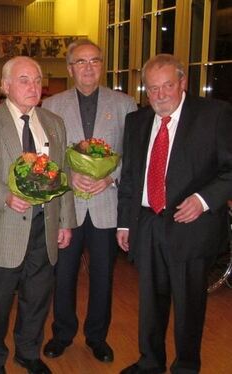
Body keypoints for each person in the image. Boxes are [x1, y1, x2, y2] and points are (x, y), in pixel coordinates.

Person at [116, 54, 232, 374]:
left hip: (191, 226)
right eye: (153, 88)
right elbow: (129, 178)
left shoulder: (214, 115)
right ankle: (150, 362)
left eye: (168, 85)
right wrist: (124, 223)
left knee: (188, 306)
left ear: (183, 82)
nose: (161, 94)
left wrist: (204, 199)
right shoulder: (137, 122)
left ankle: (186, 366)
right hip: (148, 223)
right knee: (150, 304)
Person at [0, 56, 76, 374]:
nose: (33, 86)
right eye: (24, 79)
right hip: (2, 225)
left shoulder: (54, 123)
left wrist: (66, 221)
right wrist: (5, 196)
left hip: (45, 226)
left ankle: (28, 353)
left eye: (37, 79)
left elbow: (63, 174)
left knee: (38, 297)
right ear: (5, 85)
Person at [41, 39, 137, 363]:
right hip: (68, 207)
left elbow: (134, 156)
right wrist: (69, 177)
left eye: (94, 60)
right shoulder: (52, 105)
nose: (88, 67)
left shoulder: (125, 104)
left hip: (105, 205)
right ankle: (62, 334)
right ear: (70, 69)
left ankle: (98, 337)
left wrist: (110, 176)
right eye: (80, 62)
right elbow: (47, 157)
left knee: (103, 277)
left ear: (102, 65)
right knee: (63, 275)